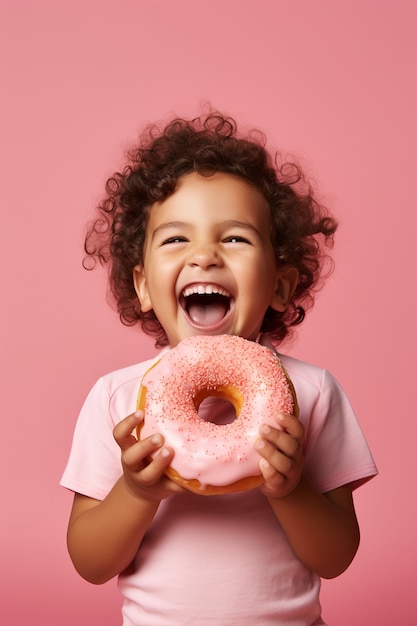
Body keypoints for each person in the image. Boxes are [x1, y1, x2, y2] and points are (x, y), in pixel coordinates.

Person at [61, 112, 377, 625]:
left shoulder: (311, 391)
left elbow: (337, 556)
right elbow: (90, 563)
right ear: (142, 284)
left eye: (235, 239)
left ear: (279, 283)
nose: (204, 255)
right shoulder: (119, 399)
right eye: (175, 239)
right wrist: (136, 491)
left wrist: (290, 488)